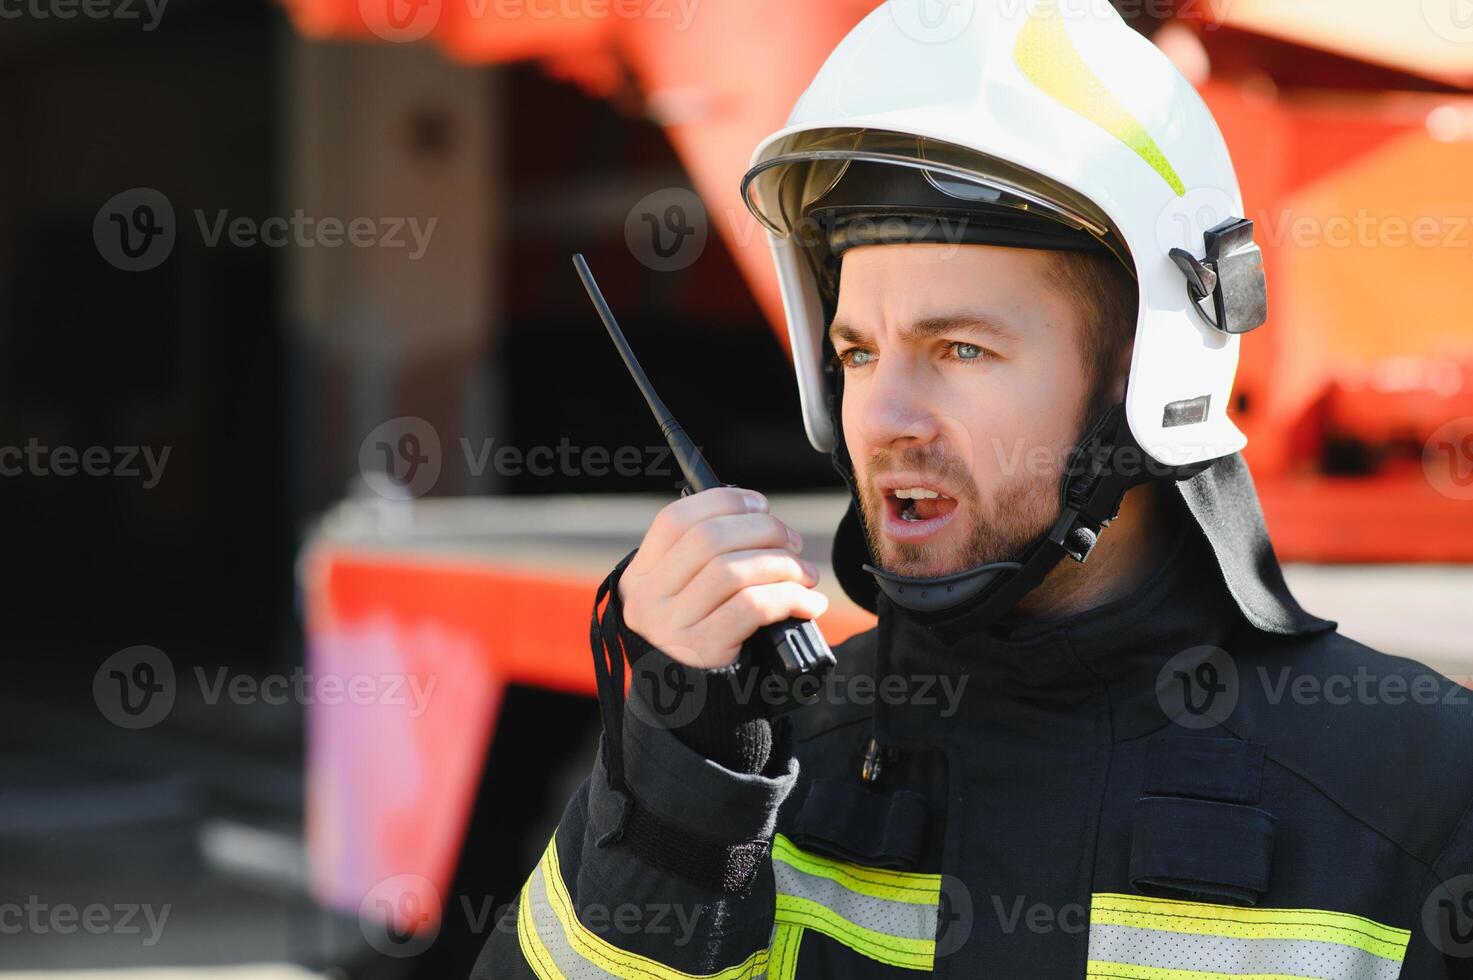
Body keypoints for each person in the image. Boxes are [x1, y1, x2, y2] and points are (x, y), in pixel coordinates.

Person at [474, 1, 1473, 976]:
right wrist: (673, 805)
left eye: (959, 347)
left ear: (1145, 371)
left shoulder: (1422, 791)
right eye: (857, 351)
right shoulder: (754, 776)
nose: (886, 414)